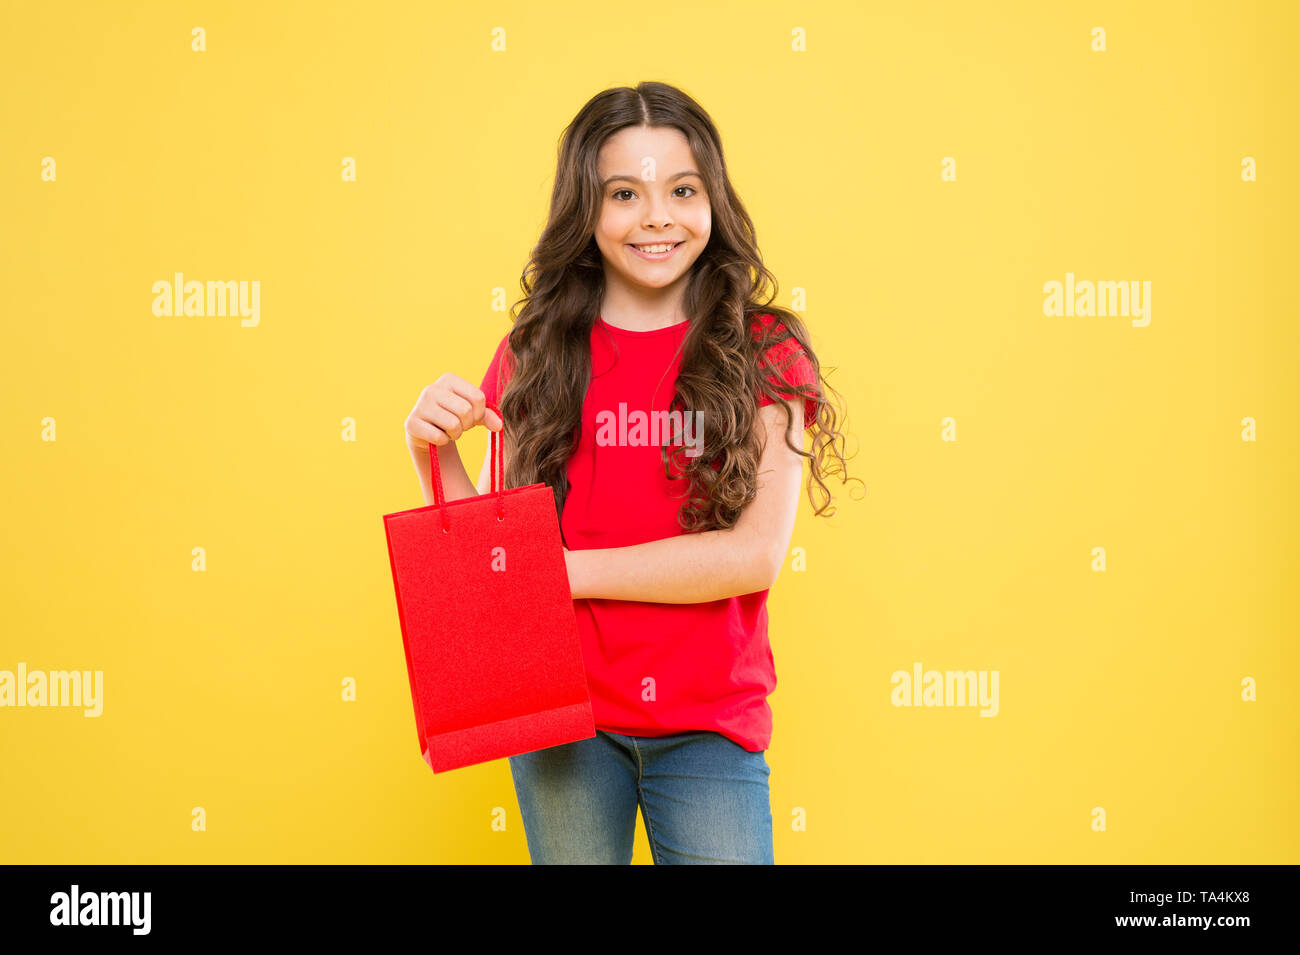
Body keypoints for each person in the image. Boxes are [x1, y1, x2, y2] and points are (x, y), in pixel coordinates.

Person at [403, 81, 853, 864]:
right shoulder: (533, 354)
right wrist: (433, 452)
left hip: (710, 723)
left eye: (682, 189)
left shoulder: (767, 351)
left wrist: (562, 571)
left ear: (713, 199)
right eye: (624, 193)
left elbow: (751, 556)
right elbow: (496, 569)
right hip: (563, 717)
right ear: (587, 210)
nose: (656, 216)